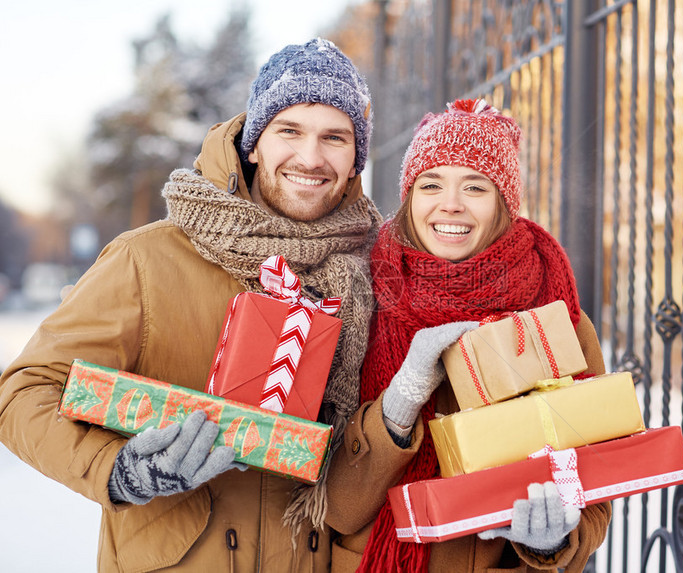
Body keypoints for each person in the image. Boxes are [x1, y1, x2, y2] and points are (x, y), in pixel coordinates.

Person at [0, 38, 381, 571]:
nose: (311, 157)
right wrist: (120, 469)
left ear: (356, 156)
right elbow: (24, 392)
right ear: (254, 142)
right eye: (289, 130)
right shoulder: (147, 259)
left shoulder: (376, 272)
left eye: (334, 137)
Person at [324, 98, 611, 572]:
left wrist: (552, 540)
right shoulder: (361, 300)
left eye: (474, 186)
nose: (449, 204)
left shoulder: (557, 316)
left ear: (503, 202)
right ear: (410, 196)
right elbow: (334, 506)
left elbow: (596, 484)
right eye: (431, 183)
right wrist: (399, 404)